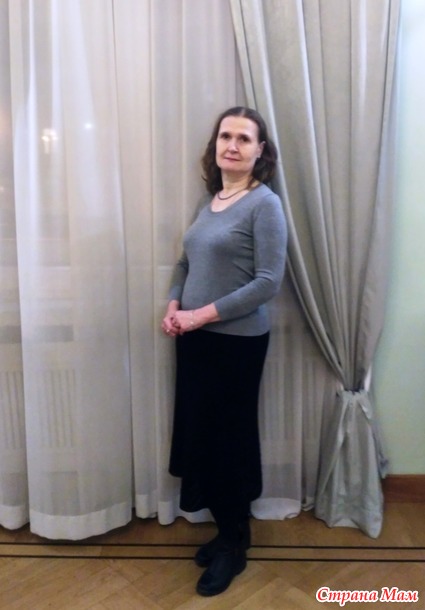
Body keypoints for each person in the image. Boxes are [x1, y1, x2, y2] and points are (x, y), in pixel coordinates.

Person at [161, 106, 287, 596]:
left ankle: (235, 544)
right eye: (225, 136)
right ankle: (227, 531)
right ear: (215, 145)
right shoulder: (210, 201)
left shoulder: (264, 205)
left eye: (244, 138)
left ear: (260, 151)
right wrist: (174, 305)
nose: (232, 145)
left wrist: (200, 315)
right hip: (195, 340)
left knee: (227, 443)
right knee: (203, 439)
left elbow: (268, 282)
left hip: (236, 346)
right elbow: (184, 262)